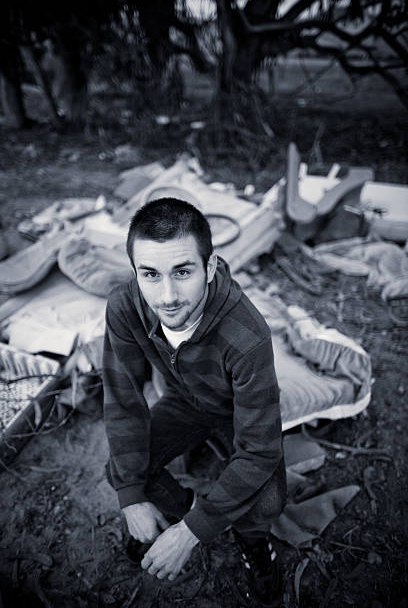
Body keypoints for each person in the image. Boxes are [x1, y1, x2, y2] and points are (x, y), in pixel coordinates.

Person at [102, 198, 287, 607]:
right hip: (184, 403)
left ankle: (252, 543)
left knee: (270, 500)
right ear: (135, 271)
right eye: (150, 274)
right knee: (123, 472)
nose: (167, 296)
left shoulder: (247, 333)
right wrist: (133, 499)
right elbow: (122, 400)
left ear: (210, 266)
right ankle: (183, 510)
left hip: (238, 414)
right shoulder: (124, 306)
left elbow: (260, 449)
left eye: (182, 272)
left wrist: (191, 533)